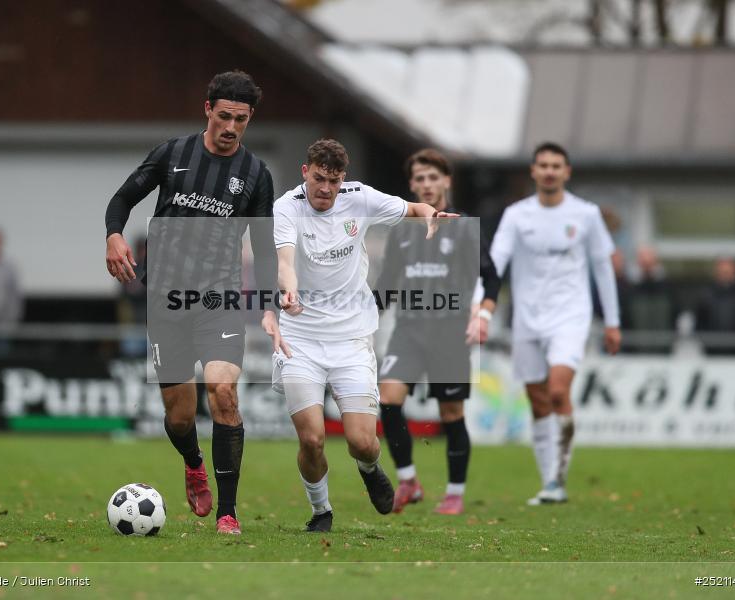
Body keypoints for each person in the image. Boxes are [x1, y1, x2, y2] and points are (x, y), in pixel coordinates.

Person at [104, 70, 284, 535]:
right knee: (179, 414)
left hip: (220, 299)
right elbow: (122, 199)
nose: (230, 127)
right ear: (208, 109)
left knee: (223, 392)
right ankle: (193, 463)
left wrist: (269, 307)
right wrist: (114, 236)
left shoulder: (256, 175)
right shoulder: (173, 154)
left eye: (240, 120)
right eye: (224, 116)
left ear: (249, 119)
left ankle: (228, 511)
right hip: (166, 299)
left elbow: (264, 249)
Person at [272, 139, 455, 532]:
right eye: (318, 179)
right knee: (313, 440)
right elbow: (285, 260)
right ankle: (321, 512)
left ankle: (370, 469)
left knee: (362, 442)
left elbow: (412, 207)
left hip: (352, 339)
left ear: (343, 180)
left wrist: (428, 213)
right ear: (305, 172)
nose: (325, 189)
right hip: (300, 339)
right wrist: (288, 288)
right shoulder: (287, 207)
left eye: (333, 182)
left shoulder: (360, 198)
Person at [489, 142, 621, 505]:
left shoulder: (586, 214)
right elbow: (496, 261)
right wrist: (480, 306)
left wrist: (612, 321)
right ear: (533, 171)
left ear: (567, 172)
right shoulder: (517, 215)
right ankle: (549, 481)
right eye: (543, 165)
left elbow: (603, 267)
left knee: (559, 392)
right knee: (538, 402)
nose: (549, 171)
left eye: (556, 165)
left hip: (570, 316)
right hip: (527, 319)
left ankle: (558, 479)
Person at [374, 148, 500, 516]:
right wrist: (363, 319)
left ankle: (455, 493)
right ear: (411, 185)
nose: (427, 185)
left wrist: (484, 316)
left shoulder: (463, 227)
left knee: (450, 413)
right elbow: (386, 284)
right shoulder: (402, 231)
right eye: (420, 179)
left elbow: (491, 276)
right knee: (389, 398)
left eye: (433, 178)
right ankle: (409, 481)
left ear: (447, 181)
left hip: (450, 331)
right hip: (409, 330)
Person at [694, 257, 735, 355]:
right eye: (722, 272)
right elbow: (699, 323)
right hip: (712, 353)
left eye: (728, 272)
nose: (725, 276)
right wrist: (707, 343)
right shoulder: (706, 295)